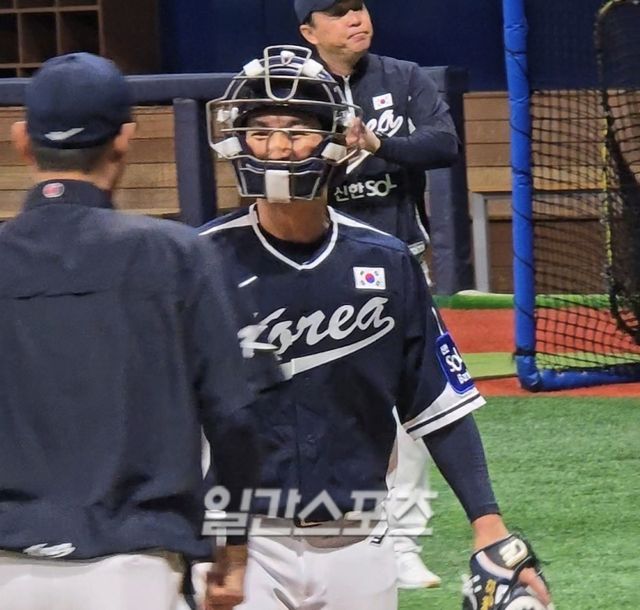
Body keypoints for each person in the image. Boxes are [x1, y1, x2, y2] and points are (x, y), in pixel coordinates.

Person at [200, 45, 552, 610]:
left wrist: (488, 526)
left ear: (334, 139)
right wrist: (215, 544)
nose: (278, 148)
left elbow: (438, 404)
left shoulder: (386, 260)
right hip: (241, 543)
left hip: (359, 535)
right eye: (260, 131)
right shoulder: (198, 263)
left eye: (297, 131)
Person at [0, 52, 276, 610]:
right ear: (126, 140)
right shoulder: (180, 255)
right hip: (134, 568)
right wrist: (233, 545)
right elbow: (237, 417)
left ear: (21, 140)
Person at [295, 0, 460, 587]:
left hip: (399, 267)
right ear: (309, 31)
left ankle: (404, 541)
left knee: (416, 403)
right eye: (337, 12)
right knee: (327, 401)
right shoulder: (291, 87)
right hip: (316, 269)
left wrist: (376, 142)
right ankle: (345, 526)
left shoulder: (403, 77)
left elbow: (443, 144)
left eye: (359, 7)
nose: (355, 18)